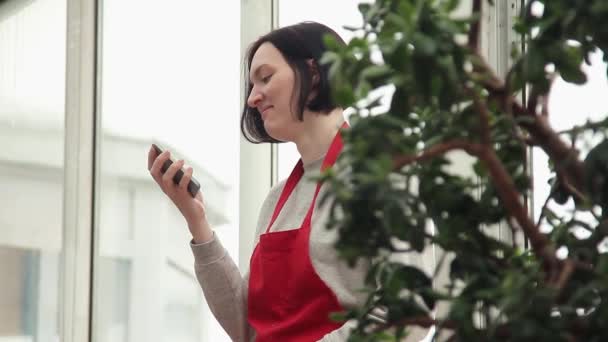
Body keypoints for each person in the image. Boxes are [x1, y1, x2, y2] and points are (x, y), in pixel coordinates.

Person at [148, 22, 369, 342]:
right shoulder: (277, 200)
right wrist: (196, 220)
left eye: (265, 78)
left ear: (315, 74)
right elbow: (247, 326)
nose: (252, 98)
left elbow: (404, 315)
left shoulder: (375, 181)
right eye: (252, 85)